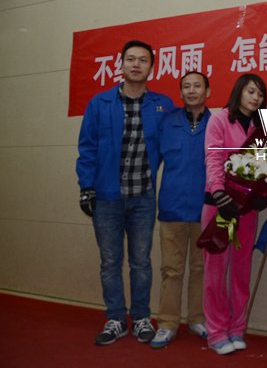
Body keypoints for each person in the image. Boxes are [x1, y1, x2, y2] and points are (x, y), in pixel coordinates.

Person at [76, 39, 174, 345]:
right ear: (120, 64)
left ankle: (141, 316)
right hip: (107, 197)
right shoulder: (100, 103)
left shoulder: (163, 105)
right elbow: (87, 148)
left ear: (151, 67)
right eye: (130, 59)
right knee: (110, 261)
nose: (136, 64)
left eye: (143, 60)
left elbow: (179, 141)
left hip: (143, 197)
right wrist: (86, 187)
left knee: (141, 261)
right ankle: (116, 318)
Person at [201, 73, 267, 355]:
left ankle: (237, 329)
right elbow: (213, 157)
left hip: (247, 211)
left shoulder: (262, 127)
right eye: (251, 91)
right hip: (220, 206)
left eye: (260, 94)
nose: (256, 98)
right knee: (216, 272)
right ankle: (216, 331)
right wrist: (219, 193)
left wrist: (263, 192)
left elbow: (266, 165)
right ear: (239, 91)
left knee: (241, 271)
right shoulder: (219, 119)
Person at [150, 71, 211, 348]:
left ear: (207, 91)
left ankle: (197, 319)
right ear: (181, 92)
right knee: (171, 270)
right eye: (186, 86)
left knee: (200, 269)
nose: (192, 90)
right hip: (172, 208)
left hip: (205, 210)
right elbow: (153, 161)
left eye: (197, 85)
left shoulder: (217, 123)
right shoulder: (167, 122)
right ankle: (167, 324)